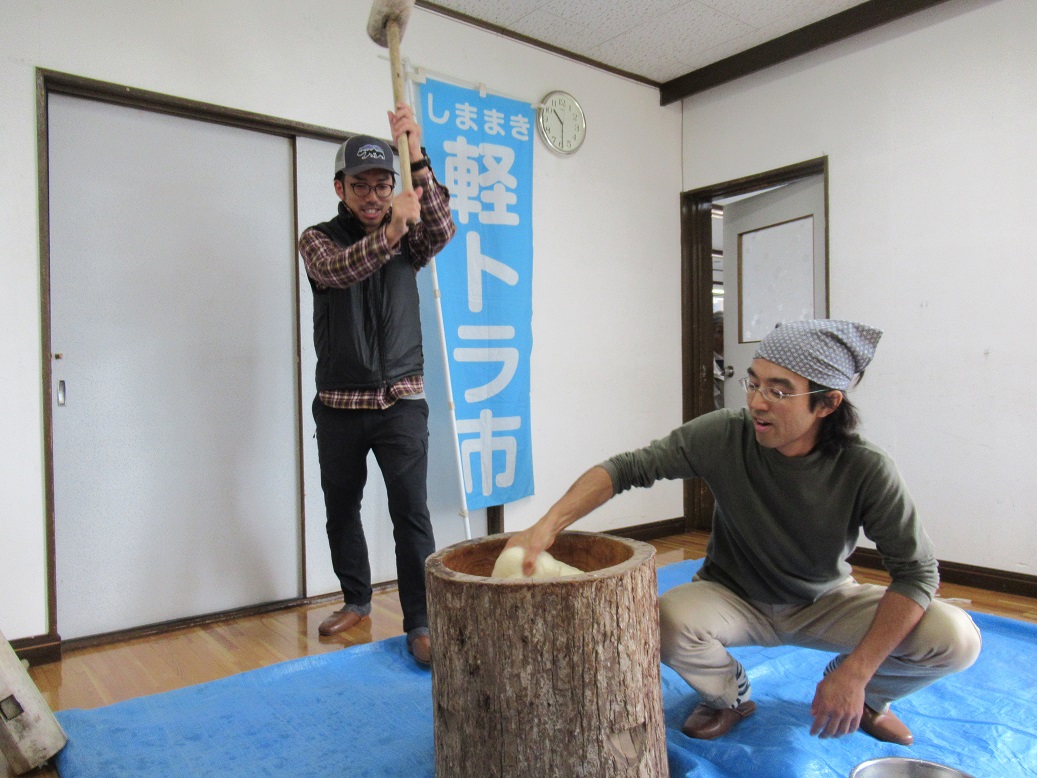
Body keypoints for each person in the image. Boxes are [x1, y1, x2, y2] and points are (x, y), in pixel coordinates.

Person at [506, 319, 981, 745]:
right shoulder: (724, 435)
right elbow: (627, 468)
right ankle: (730, 698)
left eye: (779, 390)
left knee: (956, 637)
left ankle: (869, 698)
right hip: (733, 595)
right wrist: (546, 525)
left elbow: (916, 574)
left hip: (824, 600)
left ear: (827, 403)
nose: (756, 402)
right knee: (664, 622)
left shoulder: (866, 469)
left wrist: (857, 671)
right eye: (752, 383)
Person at [298, 103, 456, 667]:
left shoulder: (411, 235)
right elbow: (340, 272)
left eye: (382, 185)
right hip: (338, 405)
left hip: (401, 403)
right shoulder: (318, 239)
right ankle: (357, 601)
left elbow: (442, 226)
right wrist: (392, 228)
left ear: (393, 188)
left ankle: (421, 619)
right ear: (340, 188)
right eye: (359, 185)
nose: (371, 195)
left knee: (411, 513)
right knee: (342, 508)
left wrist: (416, 153)